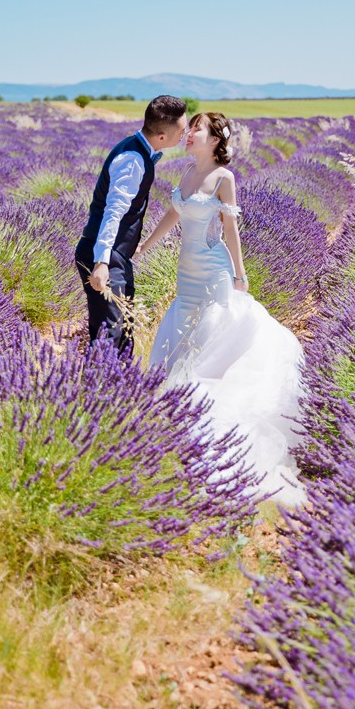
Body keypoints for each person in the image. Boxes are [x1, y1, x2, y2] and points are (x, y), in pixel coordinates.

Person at [135, 111, 306, 506]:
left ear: (215, 140)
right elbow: (174, 213)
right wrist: (146, 246)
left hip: (212, 273)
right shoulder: (186, 175)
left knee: (206, 345)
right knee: (178, 342)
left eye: (198, 128)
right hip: (186, 275)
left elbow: (231, 231)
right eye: (190, 126)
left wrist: (240, 276)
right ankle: (175, 420)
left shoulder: (223, 178)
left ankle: (204, 424)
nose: (190, 133)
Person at [76, 95, 187, 353]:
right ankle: (97, 390)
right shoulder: (133, 160)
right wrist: (102, 262)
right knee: (109, 334)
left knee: (124, 329)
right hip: (103, 255)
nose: (185, 134)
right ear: (161, 136)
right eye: (181, 130)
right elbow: (112, 213)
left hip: (117, 255)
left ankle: (121, 390)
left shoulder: (140, 152)